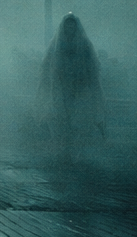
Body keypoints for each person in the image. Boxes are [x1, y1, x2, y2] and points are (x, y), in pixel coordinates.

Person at [34, 13, 105, 156]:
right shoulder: (56, 44)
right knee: (60, 120)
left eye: (72, 24)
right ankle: (62, 152)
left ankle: (74, 153)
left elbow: (92, 68)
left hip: (79, 89)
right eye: (68, 24)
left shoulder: (85, 44)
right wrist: (46, 85)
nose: (70, 27)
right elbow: (47, 67)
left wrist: (91, 85)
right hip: (61, 88)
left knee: (77, 122)